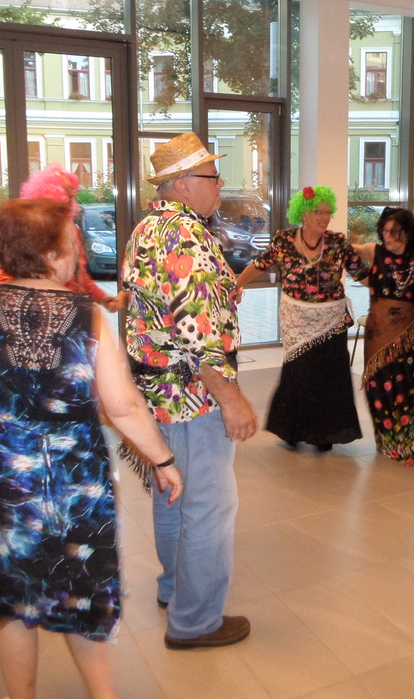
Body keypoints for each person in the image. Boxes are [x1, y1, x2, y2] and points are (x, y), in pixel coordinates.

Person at [0, 198, 183, 699]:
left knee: (12, 598)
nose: (79, 253)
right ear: (52, 255)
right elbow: (123, 407)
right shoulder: (90, 317)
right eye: (72, 244)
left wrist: (5, 420)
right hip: (73, 478)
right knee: (81, 587)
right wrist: (163, 459)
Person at [122, 131, 257, 650]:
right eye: (212, 176)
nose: (221, 184)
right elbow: (200, 335)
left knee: (172, 492)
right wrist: (232, 400)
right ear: (182, 184)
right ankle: (195, 621)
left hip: (158, 392)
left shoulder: (148, 228)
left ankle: (173, 587)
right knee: (208, 505)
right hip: (192, 395)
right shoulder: (187, 237)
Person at [235, 185, 366, 451]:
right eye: (318, 212)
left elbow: (360, 273)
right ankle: (293, 430)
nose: (324, 217)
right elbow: (260, 265)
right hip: (296, 318)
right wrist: (235, 285)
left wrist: (389, 287)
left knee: (330, 376)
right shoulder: (283, 240)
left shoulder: (338, 241)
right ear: (303, 213)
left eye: (327, 212)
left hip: (332, 320)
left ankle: (325, 434)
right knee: (299, 373)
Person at [353, 208, 414, 463]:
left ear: (407, 233)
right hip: (378, 333)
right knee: (378, 385)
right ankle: (389, 442)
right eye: (384, 231)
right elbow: (347, 249)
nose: (387, 236)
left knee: (408, 387)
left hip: (405, 336)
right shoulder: (374, 251)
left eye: (394, 231)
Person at [0, 163, 125, 312]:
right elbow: (6, 276)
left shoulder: (70, 230)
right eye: (67, 189)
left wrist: (102, 297)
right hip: (43, 311)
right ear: (51, 192)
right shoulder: (30, 231)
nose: (72, 194)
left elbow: (80, 275)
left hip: (70, 309)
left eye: (73, 189)